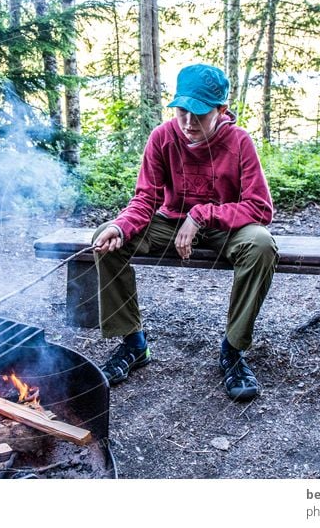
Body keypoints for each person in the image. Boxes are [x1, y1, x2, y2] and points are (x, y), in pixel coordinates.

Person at [92, 63, 278, 402]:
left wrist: (202, 215)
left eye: (200, 114)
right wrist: (121, 225)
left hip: (223, 227)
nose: (189, 124)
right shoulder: (162, 137)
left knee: (262, 244)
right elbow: (145, 198)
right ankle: (134, 344)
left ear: (221, 110)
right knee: (108, 237)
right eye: (182, 112)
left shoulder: (239, 142)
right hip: (170, 224)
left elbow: (261, 208)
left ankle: (233, 350)